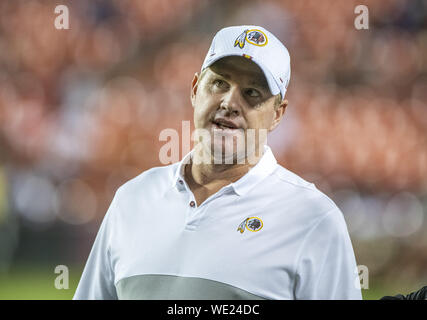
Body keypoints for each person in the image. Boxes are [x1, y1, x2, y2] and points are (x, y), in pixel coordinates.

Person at [73, 25, 362, 300]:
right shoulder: (132, 199)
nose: (229, 102)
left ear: (277, 114)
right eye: (219, 83)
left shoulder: (313, 219)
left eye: (252, 93)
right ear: (195, 89)